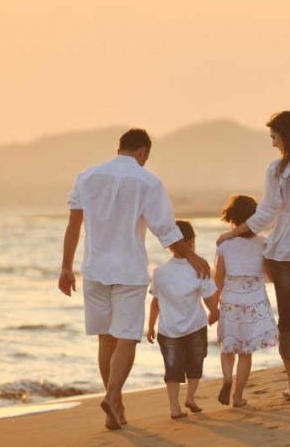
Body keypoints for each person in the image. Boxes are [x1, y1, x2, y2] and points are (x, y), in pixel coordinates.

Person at [59, 128, 211, 430]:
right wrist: (192, 256)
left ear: (121, 148)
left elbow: (74, 226)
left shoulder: (86, 177)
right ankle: (113, 395)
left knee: (106, 337)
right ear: (143, 152)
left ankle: (112, 405)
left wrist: (66, 267)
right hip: (128, 270)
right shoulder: (148, 181)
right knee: (127, 336)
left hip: (94, 268)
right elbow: (166, 230)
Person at [216, 111, 290, 399]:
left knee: (287, 316)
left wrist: (232, 234)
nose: (272, 143)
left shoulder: (277, 170)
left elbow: (266, 214)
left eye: (274, 137)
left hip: (283, 251)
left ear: (286, 136)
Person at [146, 220, 219, 419]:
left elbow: (155, 302)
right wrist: (215, 312)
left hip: (169, 329)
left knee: (172, 368)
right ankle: (190, 398)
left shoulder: (160, 272)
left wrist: (150, 325)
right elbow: (208, 298)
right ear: (192, 241)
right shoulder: (200, 267)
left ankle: (175, 407)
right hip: (194, 326)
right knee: (196, 363)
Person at [213, 194, 279, 407]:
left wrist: (212, 306)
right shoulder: (263, 243)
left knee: (228, 347)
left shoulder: (224, 245)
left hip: (231, 299)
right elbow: (270, 275)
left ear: (231, 217)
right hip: (255, 300)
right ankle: (238, 396)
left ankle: (226, 379)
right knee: (245, 352)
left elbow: (219, 280)